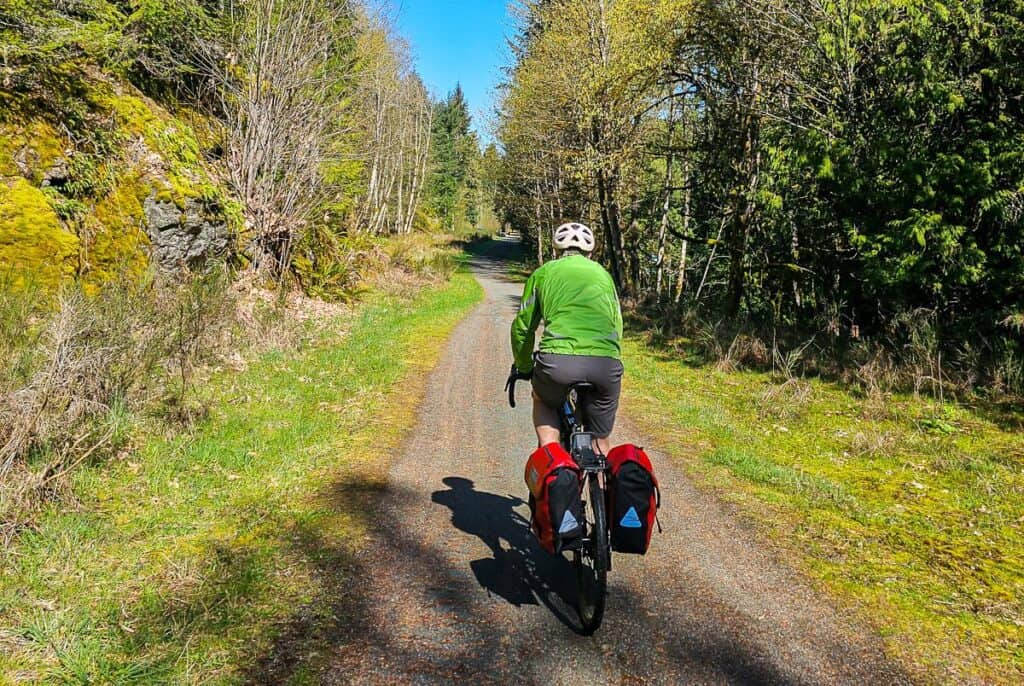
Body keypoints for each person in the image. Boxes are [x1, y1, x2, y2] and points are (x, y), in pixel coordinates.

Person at [509, 222, 624, 454]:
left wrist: (524, 366)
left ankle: (551, 454)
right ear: (590, 252)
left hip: (557, 364)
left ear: (556, 250)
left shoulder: (543, 273)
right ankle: (600, 482)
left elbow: (523, 328)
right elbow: (617, 325)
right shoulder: (604, 276)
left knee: (542, 399)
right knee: (600, 442)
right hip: (605, 365)